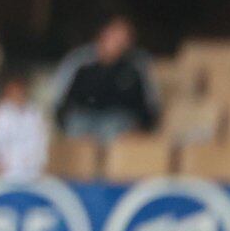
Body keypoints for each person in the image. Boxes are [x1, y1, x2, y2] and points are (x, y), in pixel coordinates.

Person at [49, 16, 157, 144]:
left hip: (119, 120)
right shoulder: (79, 61)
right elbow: (59, 99)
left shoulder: (137, 65)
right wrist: (63, 120)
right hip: (83, 118)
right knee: (77, 127)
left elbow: (150, 105)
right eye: (115, 36)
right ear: (103, 35)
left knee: (112, 127)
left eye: (124, 38)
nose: (119, 42)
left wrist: (143, 127)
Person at [0, 74, 49, 181]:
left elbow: (42, 140)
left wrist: (42, 162)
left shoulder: (35, 113)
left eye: (19, 91)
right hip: (5, 170)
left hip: (32, 171)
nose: (17, 94)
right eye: (13, 91)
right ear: (7, 92)